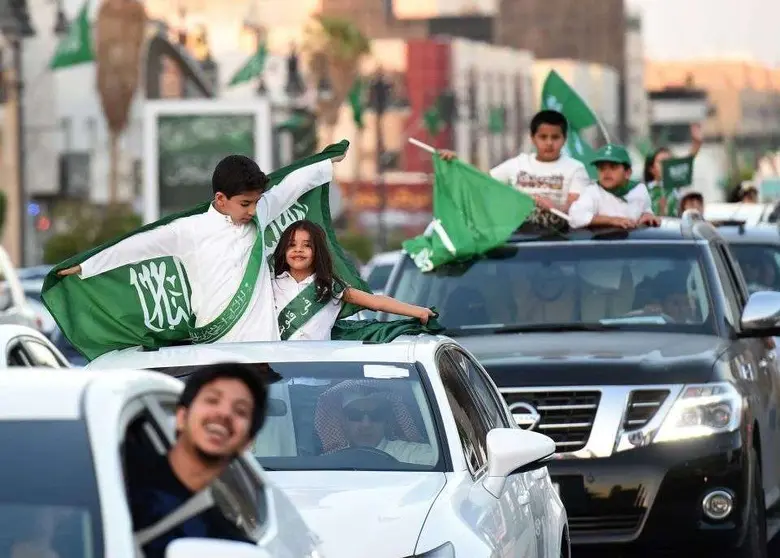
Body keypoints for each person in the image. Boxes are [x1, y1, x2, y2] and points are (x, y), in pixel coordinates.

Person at [57, 151, 346, 343]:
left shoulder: (260, 213)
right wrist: (87, 265)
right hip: (215, 347)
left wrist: (327, 163)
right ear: (221, 199)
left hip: (265, 347)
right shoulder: (189, 231)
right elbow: (135, 246)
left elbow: (291, 186)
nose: (253, 210)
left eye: (256, 202)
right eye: (245, 203)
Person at [126, 362, 271, 558]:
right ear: (182, 417)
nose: (224, 414)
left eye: (240, 411)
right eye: (212, 400)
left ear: (247, 442)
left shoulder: (225, 545)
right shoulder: (116, 473)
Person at [272, 220, 434, 340]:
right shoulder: (270, 285)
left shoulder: (330, 286)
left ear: (317, 252)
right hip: (282, 370)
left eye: (307, 245)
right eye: (291, 245)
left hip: (319, 371)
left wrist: (417, 311)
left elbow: (376, 302)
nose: (298, 250)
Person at [439, 109, 590, 228]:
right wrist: (454, 163)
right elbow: (480, 182)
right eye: (543, 137)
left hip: (559, 239)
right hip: (520, 238)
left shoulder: (575, 168)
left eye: (555, 137)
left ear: (564, 139)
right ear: (533, 138)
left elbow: (575, 207)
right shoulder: (517, 164)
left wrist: (553, 207)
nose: (549, 143)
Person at [569, 144, 660, 229]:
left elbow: (646, 210)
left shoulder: (639, 189)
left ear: (628, 173)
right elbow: (575, 216)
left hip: (632, 243)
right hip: (603, 242)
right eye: (602, 168)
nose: (606, 173)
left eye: (613, 167)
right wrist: (612, 220)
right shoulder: (592, 191)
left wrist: (647, 215)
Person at [340, 390, 436, 466]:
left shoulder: (412, 454)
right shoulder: (333, 460)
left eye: (376, 415)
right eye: (355, 415)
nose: (366, 424)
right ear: (343, 422)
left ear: (386, 421)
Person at [642, 123, 703, 216]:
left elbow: (688, 161)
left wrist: (697, 143)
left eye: (669, 162)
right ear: (651, 168)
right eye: (662, 162)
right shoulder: (643, 191)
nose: (667, 166)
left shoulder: (675, 188)